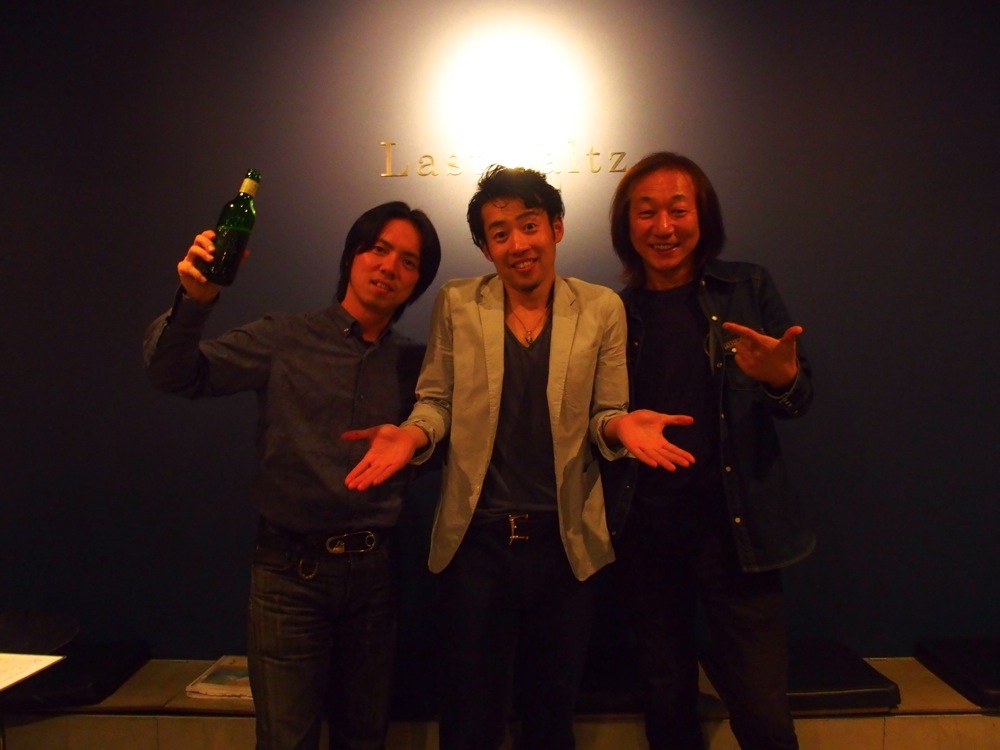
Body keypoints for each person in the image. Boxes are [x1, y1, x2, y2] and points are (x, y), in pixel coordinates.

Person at [343, 165, 695, 750]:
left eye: (529, 225)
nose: (517, 244)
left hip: (566, 544)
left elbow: (606, 412)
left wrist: (621, 426)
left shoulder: (601, 307)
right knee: (468, 724)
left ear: (556, 227)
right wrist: (412, 436)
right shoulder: (458, 302)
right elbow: (435, 401)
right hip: (476, 545)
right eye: (499, 234)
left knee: (551, 721)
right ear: (485, 248)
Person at [143, 201, 442, 750]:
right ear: (351, 256)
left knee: (365, 738)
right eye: (378, 249)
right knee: (285, 740)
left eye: (408, 261)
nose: (389, 267)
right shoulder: (285, 337)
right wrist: (195, 300)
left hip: (376, 575)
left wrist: (418, 447)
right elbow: (174, 374)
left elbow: (447, 444)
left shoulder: (418, 365)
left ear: (417, 283)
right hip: (289, 575)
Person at [601, 151, 815, 750]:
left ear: (703, 217)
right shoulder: (612, 313)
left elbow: (799, 400)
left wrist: (780, 377)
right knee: (666, 701)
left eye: (678, 210)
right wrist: (617, 428)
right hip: (647, 538)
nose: (663, 227)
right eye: (646, 212)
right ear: (626, 224)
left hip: (738, 535)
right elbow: (593, 422)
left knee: (763, 714)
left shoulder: (747, 287)